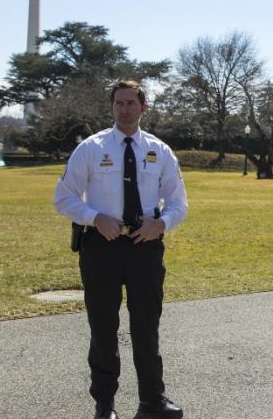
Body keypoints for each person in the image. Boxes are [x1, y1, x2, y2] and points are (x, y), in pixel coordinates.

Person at [54, 80, 188, 419]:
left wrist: (162, 224)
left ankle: (152, 402)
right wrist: (94, 217)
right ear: (111, 107)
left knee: (146, 326)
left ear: (144, 107)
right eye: (119, 103)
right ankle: (105, 406)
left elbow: (177, 202)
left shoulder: (161, 150)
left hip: (145, 247)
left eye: (131, 103)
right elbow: (64, 197)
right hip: (102, 247)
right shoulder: (91, 148)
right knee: (103, 326)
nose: (125, 109)